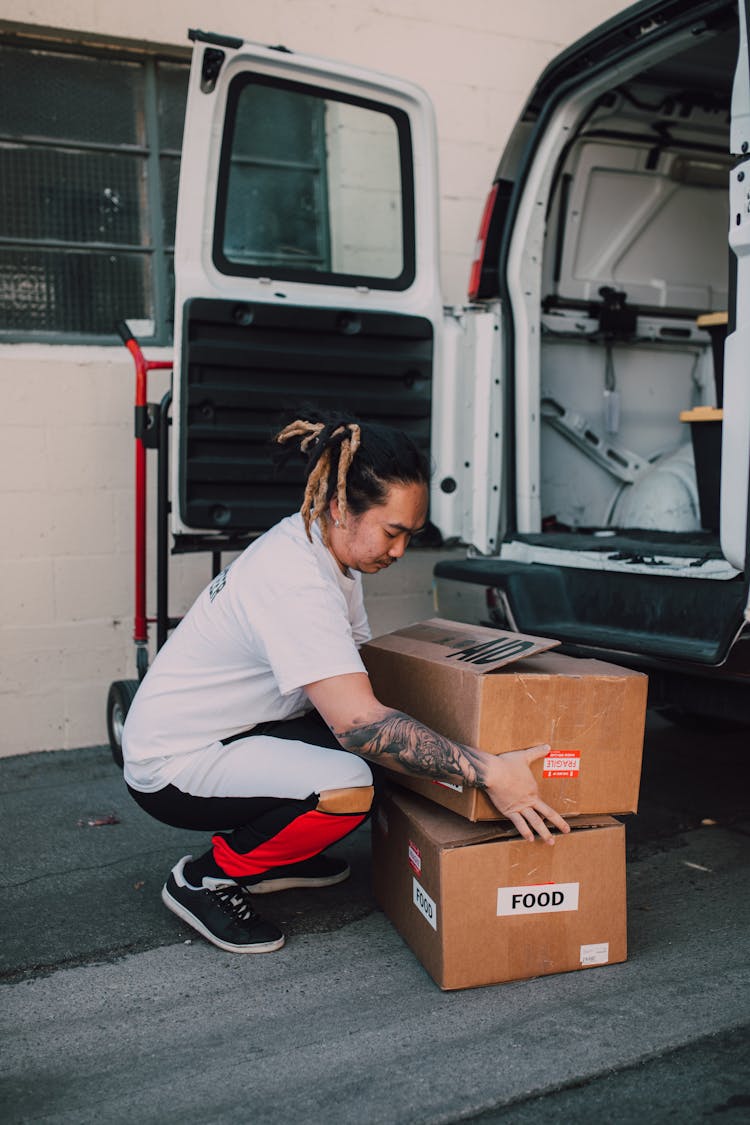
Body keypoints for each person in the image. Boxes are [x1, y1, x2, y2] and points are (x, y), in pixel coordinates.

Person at [122, 413, 569, 955]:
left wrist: (457, 715)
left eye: (410, 534)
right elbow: (359, 725)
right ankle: (208, 878)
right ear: (339, 508)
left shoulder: (328, 551)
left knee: (388, 755)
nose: (400, 550)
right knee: (352, 780)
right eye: (393, 532)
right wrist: (489, 771)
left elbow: (359, 671)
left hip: (236, 729)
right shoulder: (296, 582)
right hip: (174, 765)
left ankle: (279, 849)